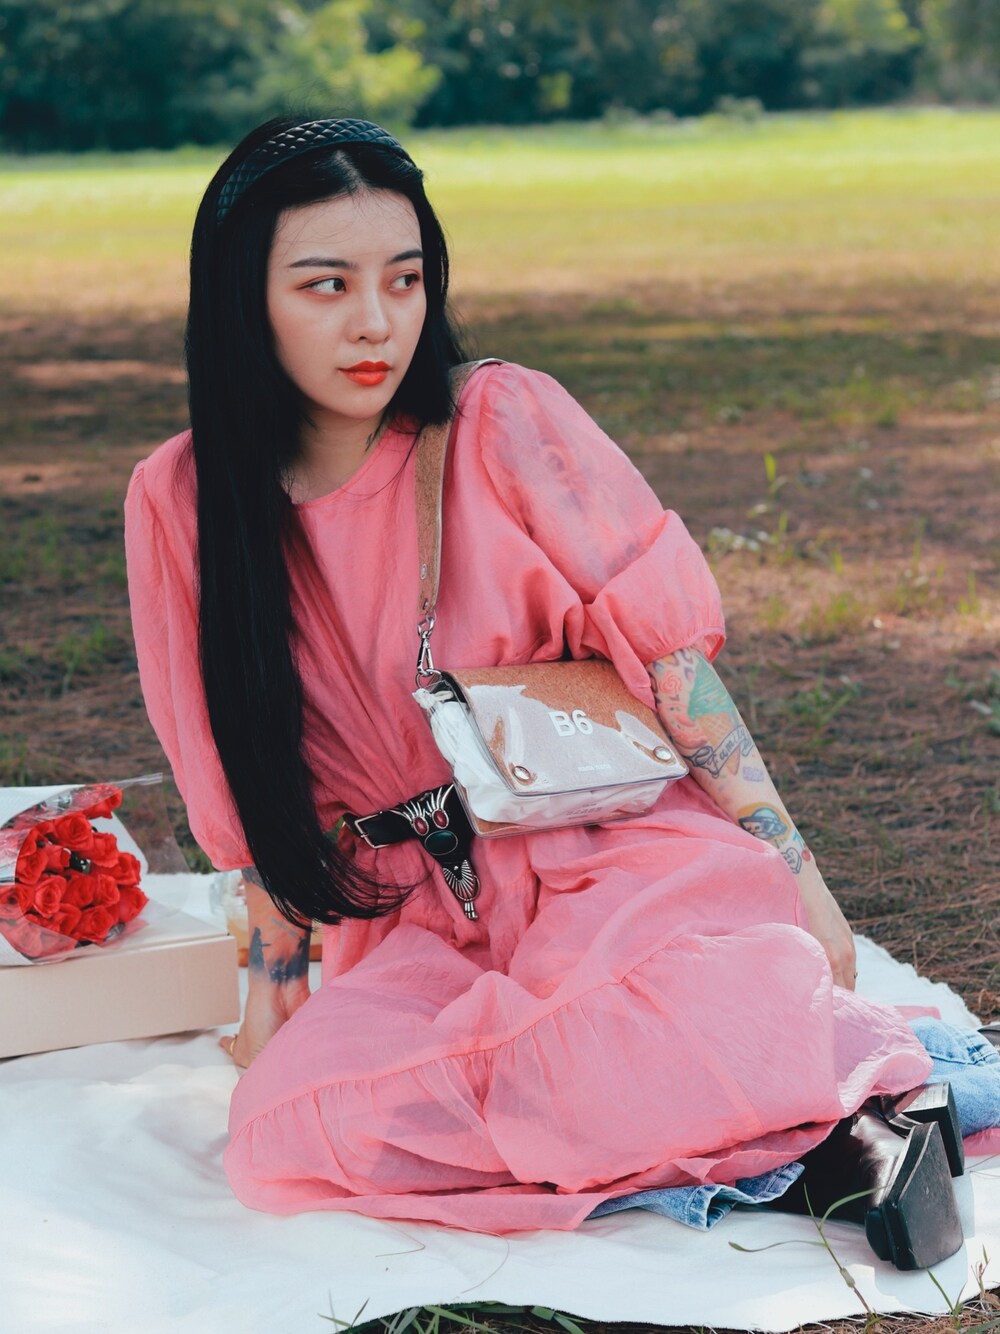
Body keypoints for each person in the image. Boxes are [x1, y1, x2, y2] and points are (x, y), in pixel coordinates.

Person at [124, 116, 980, 1270]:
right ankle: (807, 1132)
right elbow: (240, 772)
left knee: (639, 1021)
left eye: (404, 278)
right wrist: (272, 1004)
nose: (376, 321)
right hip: (410, 920)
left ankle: (822, 1120)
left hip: (603, 856)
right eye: (326, 285)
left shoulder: (499, 417)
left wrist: (801, 883)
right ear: (243, 300)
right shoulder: (182, 498)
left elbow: (670, 662)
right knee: (287, 1123)